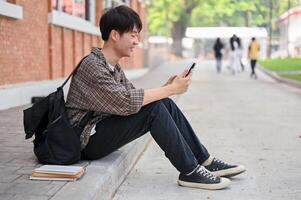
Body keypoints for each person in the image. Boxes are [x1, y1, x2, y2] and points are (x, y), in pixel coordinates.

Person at [66, 5, 246, 190]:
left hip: (99, 129)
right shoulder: (92, 66)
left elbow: (133, 99)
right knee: (155, 109)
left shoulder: (112, 66)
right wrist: (171, 90)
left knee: (163, 103)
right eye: (133, 35)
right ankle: (190, 172)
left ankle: (204, 161)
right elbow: (127, 102)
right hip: (83, 140)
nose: (137, 41)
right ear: (114, 35)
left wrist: (166, 89)